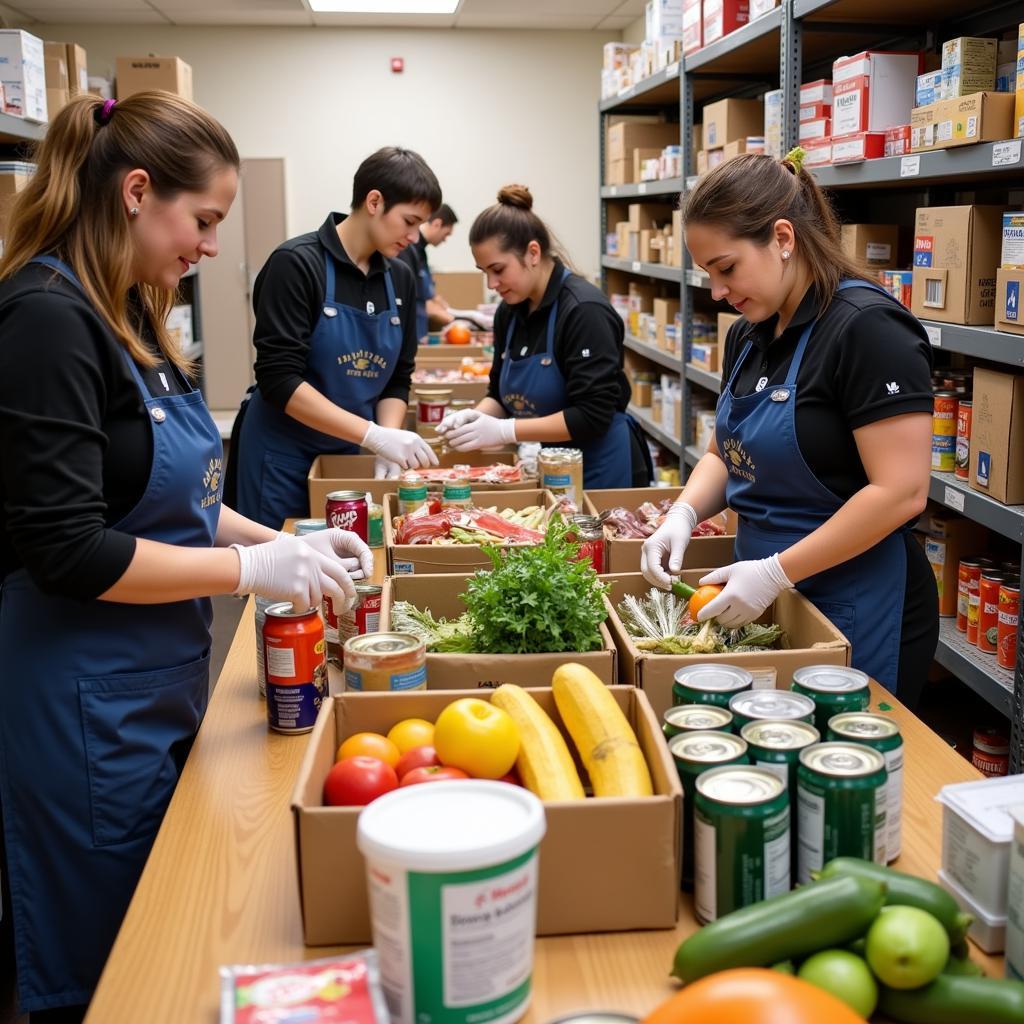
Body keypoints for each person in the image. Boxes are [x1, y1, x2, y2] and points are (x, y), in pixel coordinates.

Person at [0, 93, 371, 1022]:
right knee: (113, 963)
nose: (210, 245)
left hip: (154, 680)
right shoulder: (46, 322)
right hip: (81, 698)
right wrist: (250, 574)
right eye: (203, 220)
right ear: (136, 192)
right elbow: (71, 549)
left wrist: (279, 539)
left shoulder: (130, 313)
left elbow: (172, 504)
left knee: (168, 920)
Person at [640, 149, 937, 704]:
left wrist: (776, 573)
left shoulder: (866, 329)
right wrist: (681, 512)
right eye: (708, 274)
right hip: (765, 587)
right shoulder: (749, 333)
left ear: (782, 237)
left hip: (855, 594)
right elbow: (721, 453)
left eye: (727, 268)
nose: (718, 292)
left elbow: (901, 492)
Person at [233, 147, 443, 515]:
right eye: (409, 221)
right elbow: (279, 379)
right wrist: (372, 435)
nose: (414, 237)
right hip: (281, 455)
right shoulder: (297, 265)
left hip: (344, 451)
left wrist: (387, 438)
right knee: (277, 561)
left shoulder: (400, 278)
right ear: (374, 201)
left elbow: (397, 377)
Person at [436, 185, 650, 489]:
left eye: (498, 269)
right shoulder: (508, 313)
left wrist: (505, 431)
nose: (491, 283)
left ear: (533, 253)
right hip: (554, 466)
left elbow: (591, 415)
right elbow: (499, 394)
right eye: (484, 271)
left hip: (602, 469)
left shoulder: (584, 311)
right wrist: (473, 419)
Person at [396, 201, 458, 339]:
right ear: (436, 224)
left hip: (420, 330)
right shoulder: (407, 250)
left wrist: (446, 308)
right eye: (446, 234)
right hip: (410, 331)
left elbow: (429, 295)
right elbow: (413, 298)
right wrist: (451, 319)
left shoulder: (422, 253)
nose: (445, 240)